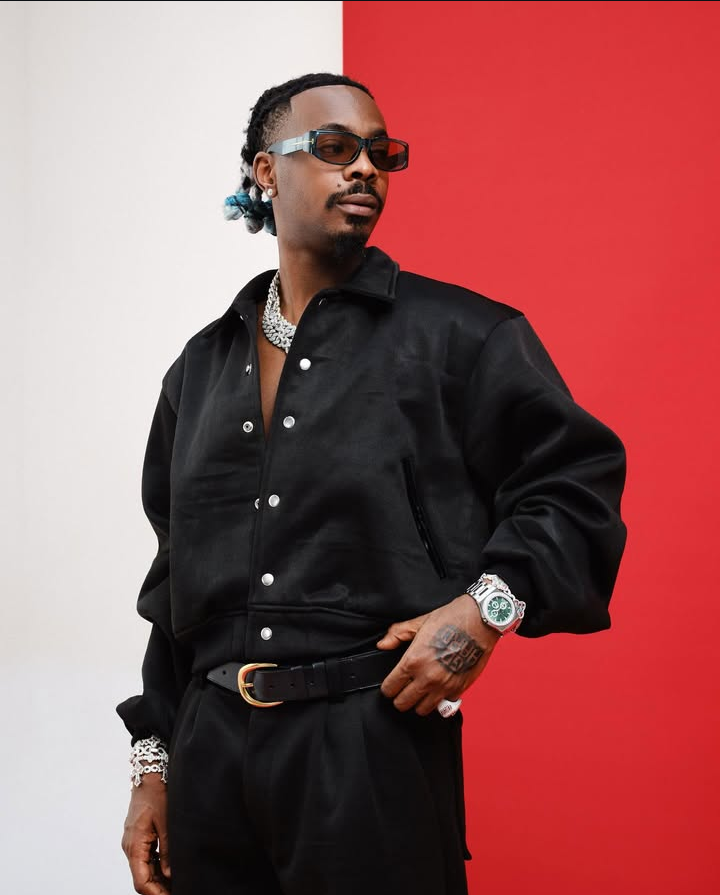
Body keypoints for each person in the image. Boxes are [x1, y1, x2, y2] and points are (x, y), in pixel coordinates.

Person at [118, 72, 627, 895]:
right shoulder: (198, 372)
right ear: (263, 173)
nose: (364, 168)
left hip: (369, 750)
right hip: (211, 757)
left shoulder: (464, 335)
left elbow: (575, 484)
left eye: (380, 153)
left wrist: (484, 609)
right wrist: (154, 767)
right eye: (333, 147)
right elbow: (177, 582)